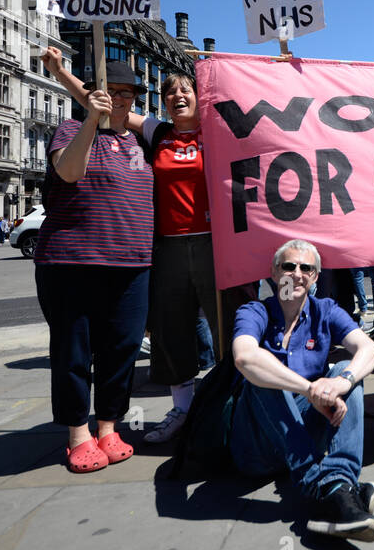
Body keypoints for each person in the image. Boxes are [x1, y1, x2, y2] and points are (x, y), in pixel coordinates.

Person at [44, 47, 253, 444]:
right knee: (171, 329)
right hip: (168, 248)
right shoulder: (158, 133)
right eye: (170, 93)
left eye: (185, 92)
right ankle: (184, 409)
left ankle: (236, 403)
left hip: (216, 244)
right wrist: (60, 73)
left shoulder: (218, 132)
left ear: (199, 98)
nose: (177, 98)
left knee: (231, 327)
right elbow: (106, 105)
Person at [34, 60, 154, 472]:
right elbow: (69, 172)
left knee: (121, 349)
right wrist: (90, 118)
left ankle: (108, 425)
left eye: (127, 92)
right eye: (111, 90)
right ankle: (77, 433)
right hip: (71, 262)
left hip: (134, 263)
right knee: (73, 351)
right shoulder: (70, 131)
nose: (119, 99)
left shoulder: (143, 141)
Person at [230, 240, 374, 541]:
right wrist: (309, 388)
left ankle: (338, 484)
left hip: (306, 433)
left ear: (315, 277)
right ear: (274, 274)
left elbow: (369, 348)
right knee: (262, 375)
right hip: (257, 446)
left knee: (345, 371)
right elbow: (245, 357)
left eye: (306, 268)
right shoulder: (255, 311)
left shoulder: (325, 310)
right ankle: (321, 487)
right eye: (288, 266)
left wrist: (342, 382)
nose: (296, 274)